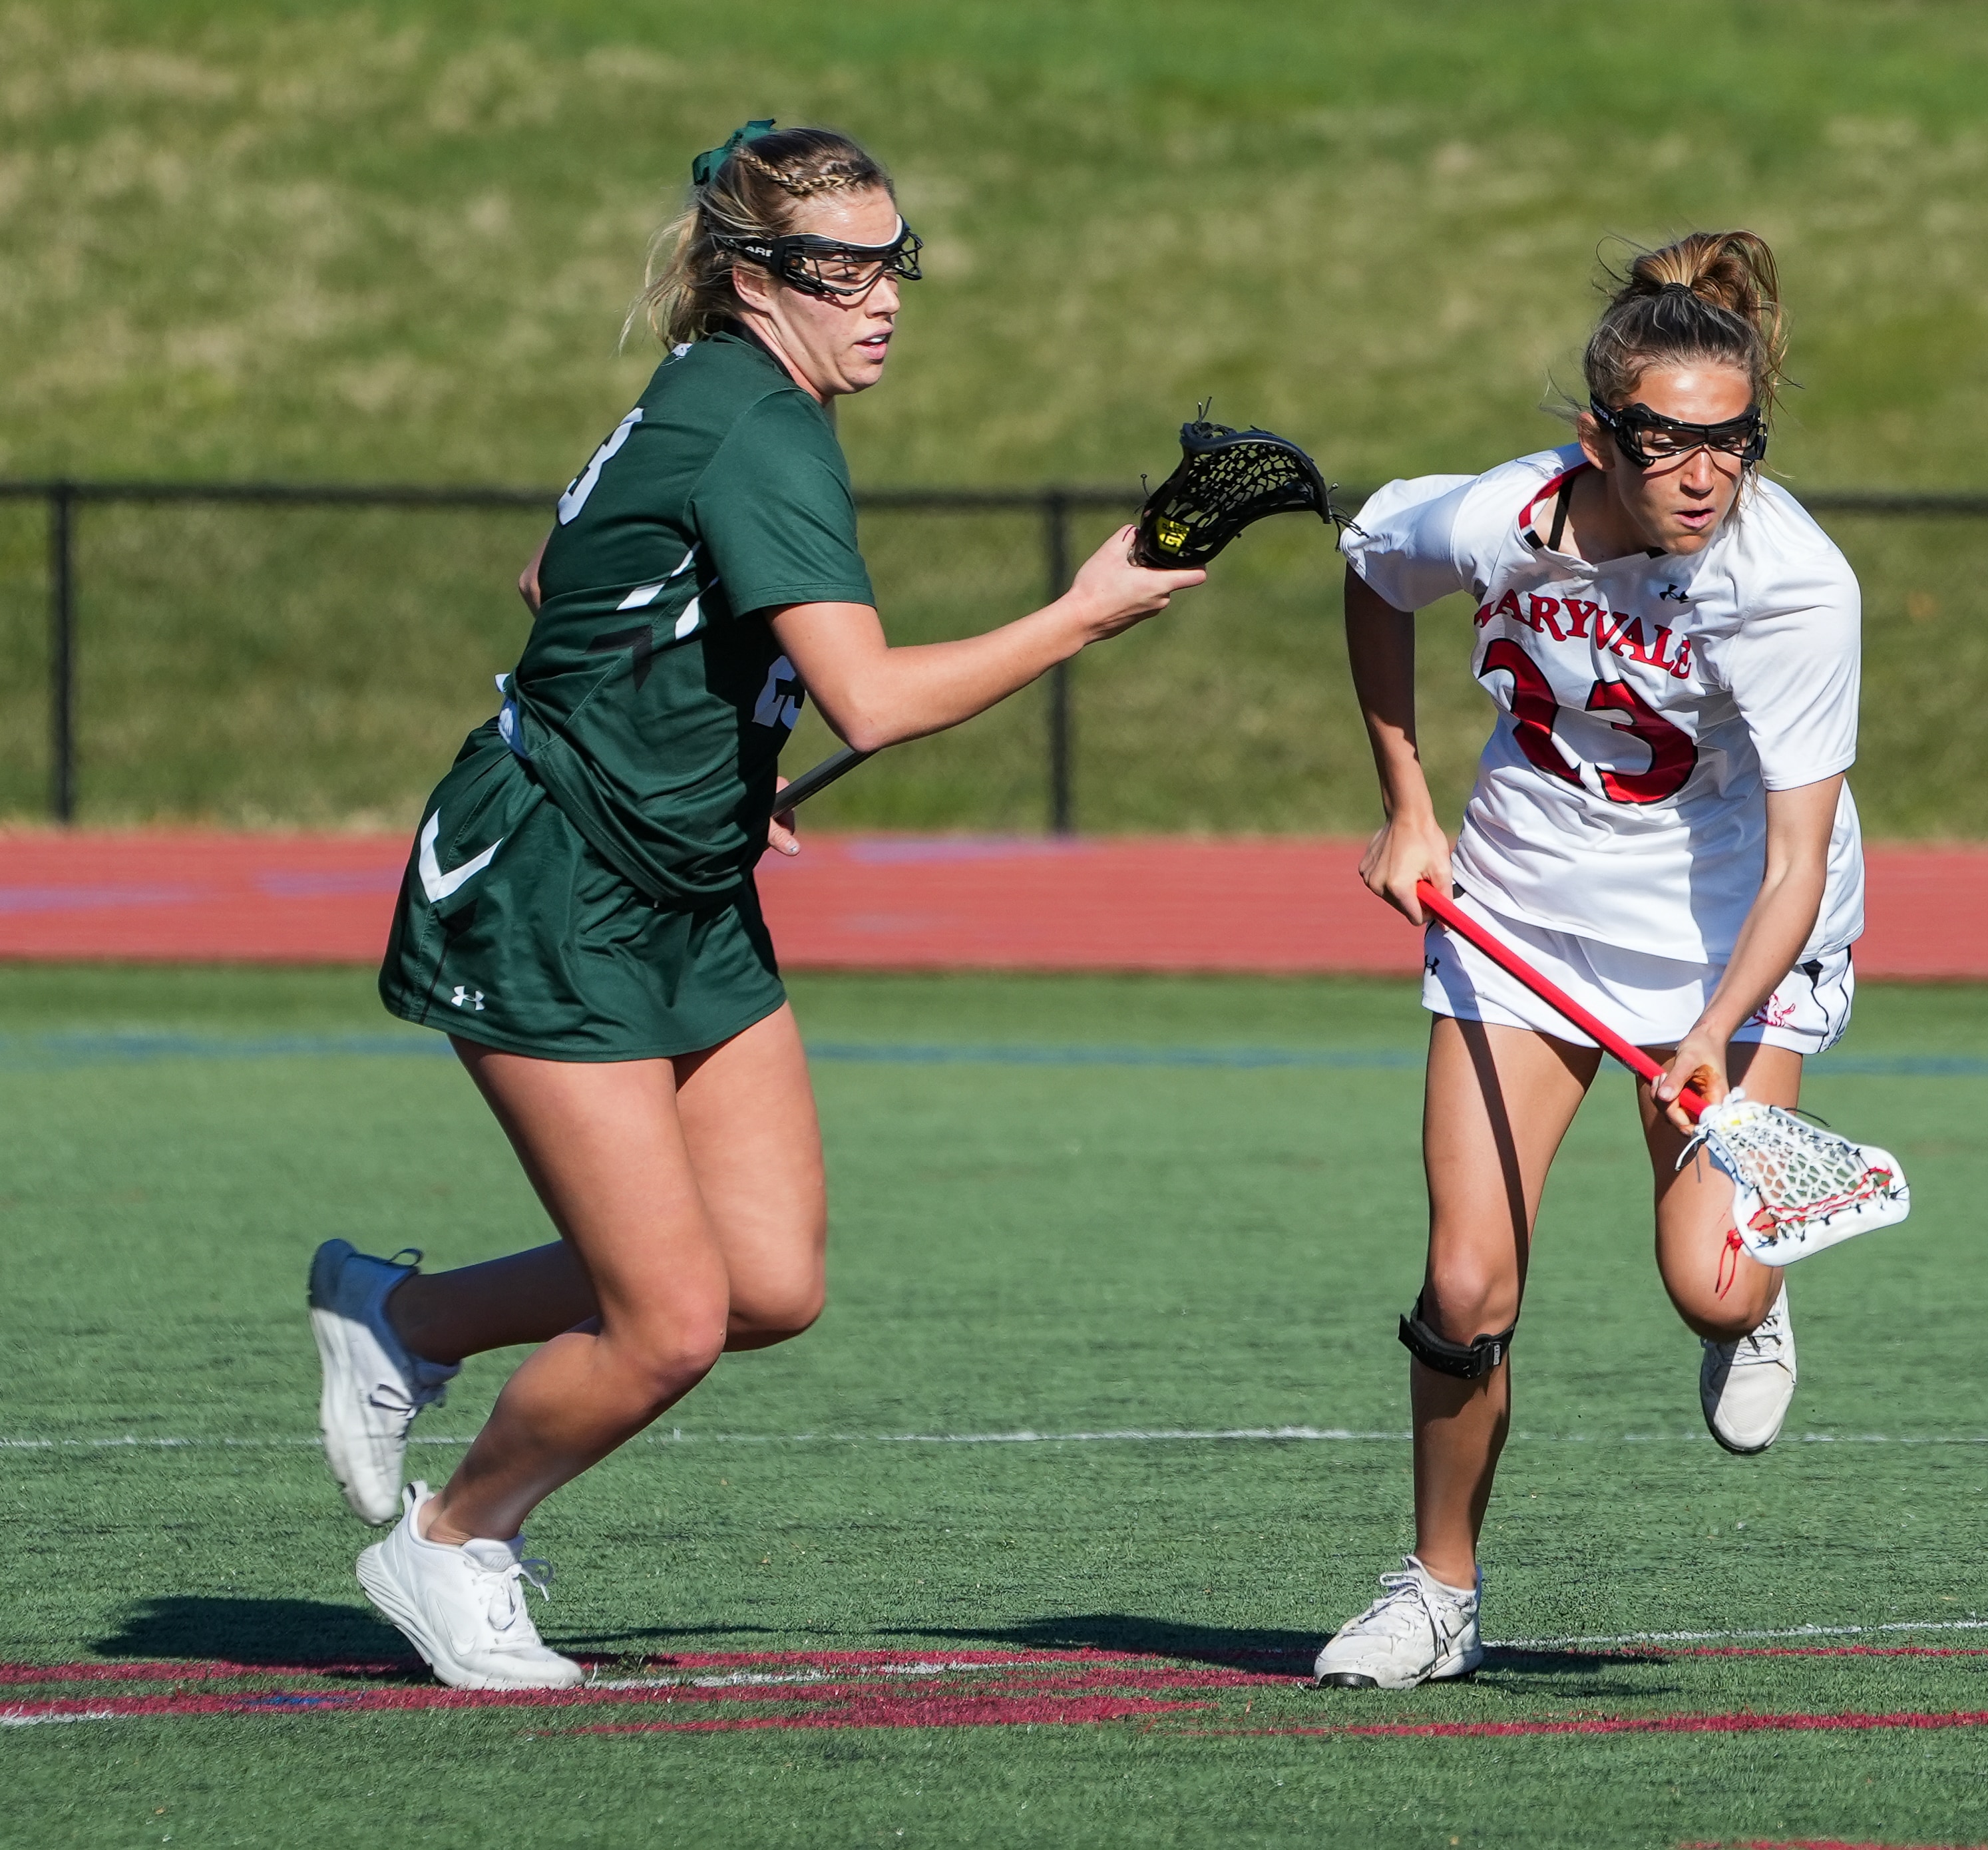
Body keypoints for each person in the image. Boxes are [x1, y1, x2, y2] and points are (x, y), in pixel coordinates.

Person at [305, 121, 1201, 1690]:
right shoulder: (757, 426)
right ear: (748, 277)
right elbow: (870, 699)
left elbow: (553, 576)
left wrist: (715, 747)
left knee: (767, 1283)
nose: (882, 294)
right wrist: (1078, 612)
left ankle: (403, 1316)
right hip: (553, 881)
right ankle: (451, 1543)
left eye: (890, 256)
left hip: (682, 879)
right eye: (838, 267)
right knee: (667, 1324)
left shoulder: (729, 395)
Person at [1318, 231, 1864, 1690]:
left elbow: (1803, 867)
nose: (1702, 475)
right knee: (1469, 1284)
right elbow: (1372, 575)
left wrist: (1715, 1030)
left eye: (1731, 443)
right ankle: (1438, 1587)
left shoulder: (1795, 586)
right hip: (1524, 918)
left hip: (1735, 928)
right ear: (1597, 438)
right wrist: (1408, 807)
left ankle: (1757, 1280)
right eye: (1666, 443)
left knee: (1711, 1286)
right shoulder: (1504, 517)